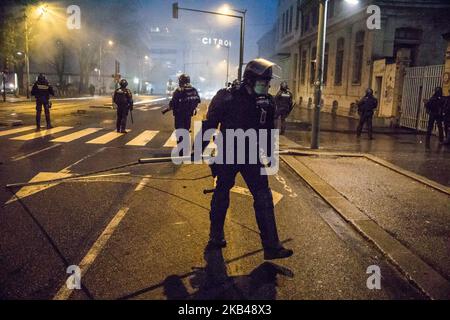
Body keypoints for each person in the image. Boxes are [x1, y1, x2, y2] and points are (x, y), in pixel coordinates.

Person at [200, 58, 293, 260]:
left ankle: (271, 247)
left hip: (251, 155)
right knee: (221, 193)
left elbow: (268, 130)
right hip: (227, 154)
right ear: (249, 81)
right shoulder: (226, 97)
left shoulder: (266, 101)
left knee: (264, 198)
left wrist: (269, 153)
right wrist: (198, 148)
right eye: (263, 82)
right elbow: (210, 124)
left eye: (268, 83)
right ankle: (216, 237)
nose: (267, 86)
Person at [169, 73, 201, 154]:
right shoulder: (193, 90)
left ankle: (181, 151)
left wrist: (171, 105)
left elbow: (173, 102)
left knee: (180, 132)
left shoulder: (179, 91)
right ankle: (186, 150)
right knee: (186, 131)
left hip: (179, 115)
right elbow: (197, 100)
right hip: (188, 115)